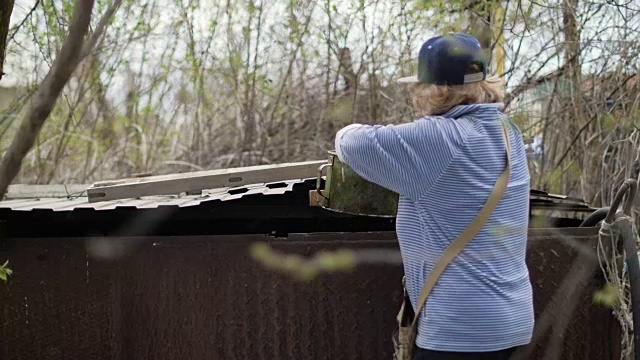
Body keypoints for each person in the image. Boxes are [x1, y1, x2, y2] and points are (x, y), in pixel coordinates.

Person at [333, 33, 534, 359]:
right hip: (513, 321)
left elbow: (350, 142)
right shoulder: (507, 130)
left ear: (436, 90)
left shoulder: (441, 139)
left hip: (458, 331)